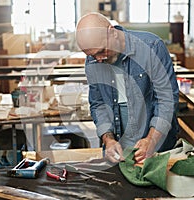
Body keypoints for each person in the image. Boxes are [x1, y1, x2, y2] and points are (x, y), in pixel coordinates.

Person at [75, 12, 179, 163]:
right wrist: (108, 140)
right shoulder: (93, 63)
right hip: (118, 154)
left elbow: (166, 100)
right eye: (92, 56)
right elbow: (98, 104)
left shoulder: (152, 47)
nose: (98, 59)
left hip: (156, 148)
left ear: (112, 32)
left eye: (101, 51)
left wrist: (151, 140)